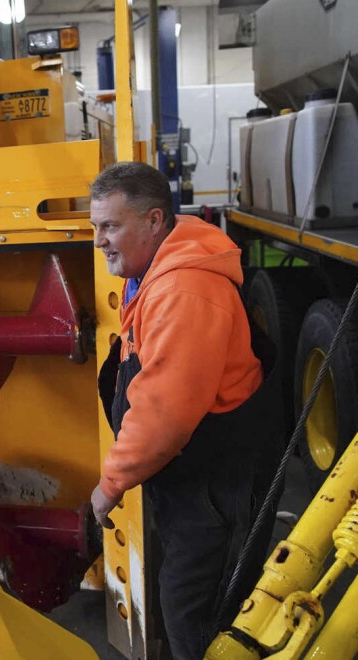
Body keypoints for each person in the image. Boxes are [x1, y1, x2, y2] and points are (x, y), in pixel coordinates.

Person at [88, 162, 282, 659]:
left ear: (154, 221)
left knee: (201, 618)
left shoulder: (183, 289)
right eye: (96, 228)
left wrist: (110, 485)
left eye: (110, 227)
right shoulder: (159, 270)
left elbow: (163, 414)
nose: (99, 242)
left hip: (218, 486)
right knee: (184, 601)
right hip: (193, 480)